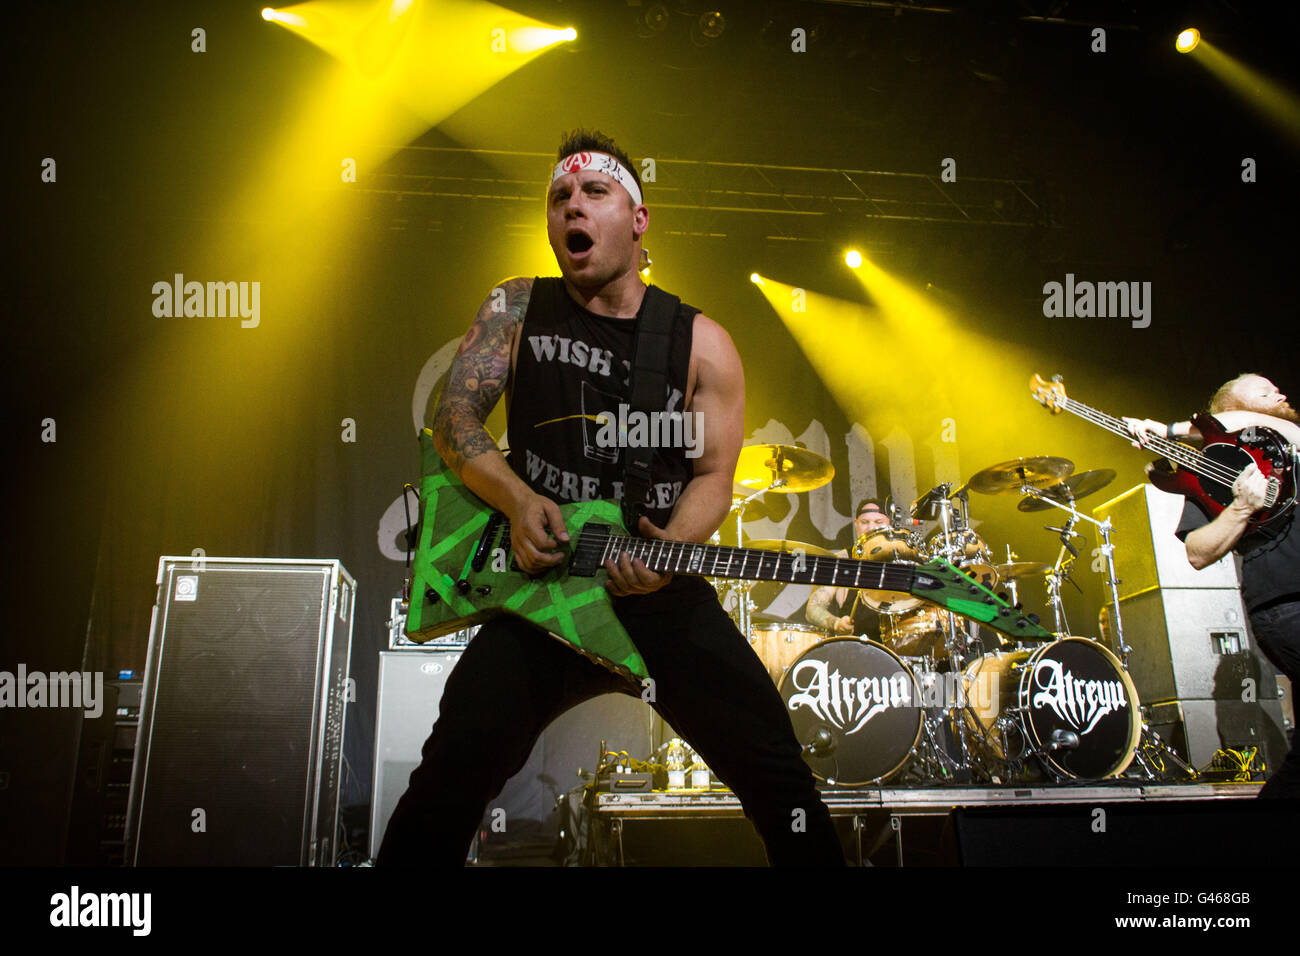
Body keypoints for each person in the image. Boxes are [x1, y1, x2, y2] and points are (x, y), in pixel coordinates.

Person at [377, 129, 845, 864]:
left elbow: (714, 474)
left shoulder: (702, 343)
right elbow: (454, 418)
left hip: (654, 591)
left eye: (595, 192)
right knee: (451, 774)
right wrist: (515, 500)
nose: (574, 206)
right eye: (560, 196)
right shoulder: (518, 308)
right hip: (545, 591)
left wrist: (671, 550)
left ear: (637, 217)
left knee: (780, 781)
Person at [1126, 373, 1299, 798]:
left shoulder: (1290, 444)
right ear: (1233, 412)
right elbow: (1198, 552)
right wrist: (1241, 508)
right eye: (1265, 392)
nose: (1280, 393)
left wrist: (1168, 428)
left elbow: (1285, 426)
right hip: (1287, 603)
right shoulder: (1218, 466)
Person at [805, 498, 890, 636]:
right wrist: (836, 623)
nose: (871, 528)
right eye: (864, 522)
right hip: (855, 645)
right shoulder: (841, 559)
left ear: (889, 525)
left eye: (878, 522)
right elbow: (813, 609)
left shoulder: (901, 559)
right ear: (856, 524)